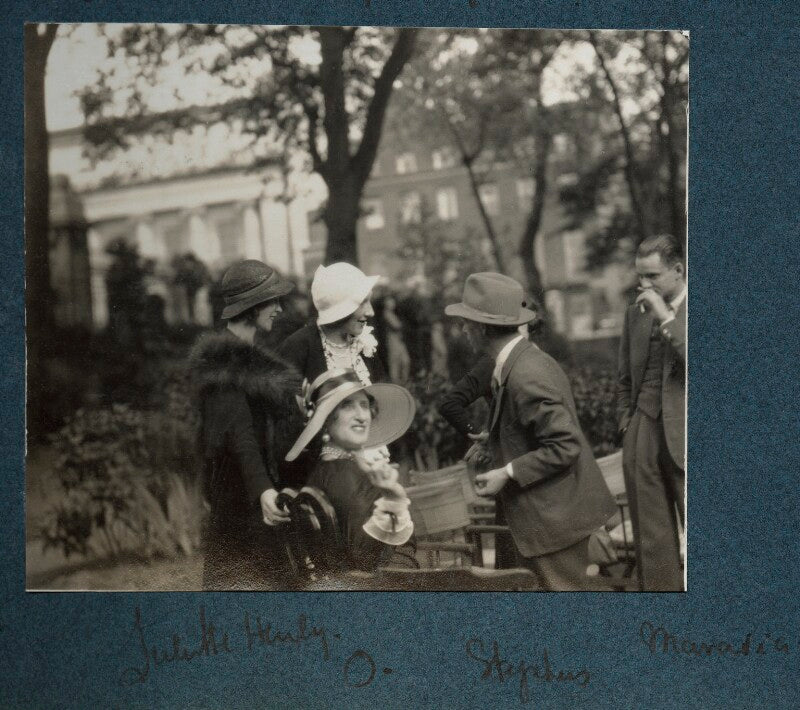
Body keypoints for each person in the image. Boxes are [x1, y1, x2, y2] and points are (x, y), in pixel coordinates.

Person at [445, 272, 616, 590]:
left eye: (466, 321)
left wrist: (507, 472)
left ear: (481, 327)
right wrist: (495, 440)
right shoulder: (522, 360)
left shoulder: (525, 373)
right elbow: (533, 429)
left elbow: (565, 445)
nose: (464, 329)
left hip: (554, 523)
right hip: (547, 520)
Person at [189, 259, 302, 590]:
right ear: (252, 306)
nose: (279, 309)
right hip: (241, 499)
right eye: (272, 301)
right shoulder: (226, 364)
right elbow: (240, 434)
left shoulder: (244, 355)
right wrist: (264, 490)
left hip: (252, 493)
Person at [284, 369, 417, 571]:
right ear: (326, 421)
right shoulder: (339, 474)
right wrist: (394, 498)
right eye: (347, 406)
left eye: (364, 405)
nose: (362, 416)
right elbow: (365, 561)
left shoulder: (336, 469)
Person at [617, 234, 686, 591]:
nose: (643, 286)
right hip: (643, 429)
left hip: (688, 435)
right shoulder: (635, 314)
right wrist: (628, 424)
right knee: (651, 541)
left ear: (678, 270)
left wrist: (666, 318)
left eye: (652, 277)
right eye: (640, 277)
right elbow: (625, 378)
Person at [277, 262, 387, 385]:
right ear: (340, 308)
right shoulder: (298, 347)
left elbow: (379, 394)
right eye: (363, 302)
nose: (370, 312)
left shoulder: (364, 343)